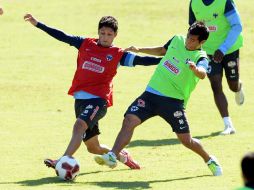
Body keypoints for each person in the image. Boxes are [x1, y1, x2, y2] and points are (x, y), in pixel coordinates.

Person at [24, 13, 162, 171]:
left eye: (109, 34)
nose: (105, 37)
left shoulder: (118, 54)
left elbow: (142, 61)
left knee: (79, 126)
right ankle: (123, 156)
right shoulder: (85, 43)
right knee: (93, 147)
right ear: (98, 32)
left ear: (115, 35)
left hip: (98, 101)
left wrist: (164, 60)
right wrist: (38, 24)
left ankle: (61, 161)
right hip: (80, 100)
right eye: (102, 33)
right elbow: (62, 35)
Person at [94, 21, 223, 176]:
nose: (188, 41)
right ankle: (113, 155)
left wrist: (195, 69)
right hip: (151, 94)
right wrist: (140, 49)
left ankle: (209, 160)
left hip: (174, 102)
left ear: (202, 42)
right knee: (129, 120)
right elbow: (162, 50)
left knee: (186, 140)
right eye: (188, 36)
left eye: (193, 40)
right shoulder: (177, 40)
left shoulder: (200, 57)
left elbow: (202, 73)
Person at [189, 0, 244, 135]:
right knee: (216, 85)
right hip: (209, 52)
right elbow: (193, 28)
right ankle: (228, 125)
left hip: (230, 48)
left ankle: (238, 87)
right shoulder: (194, 3)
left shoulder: (225, 2)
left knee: (232, 86)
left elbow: (237, 26)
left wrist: (223, 48)